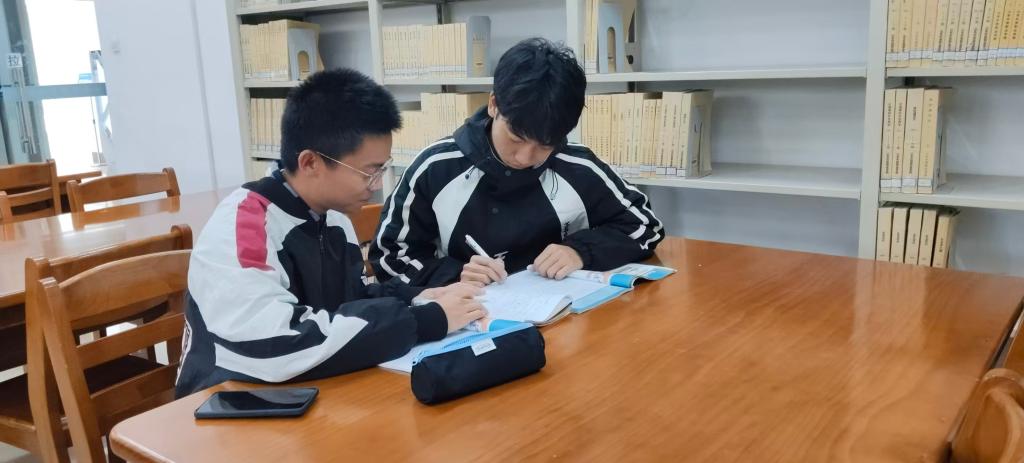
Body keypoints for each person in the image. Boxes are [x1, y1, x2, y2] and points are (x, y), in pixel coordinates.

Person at [176, 69, 486, 396]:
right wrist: (423, 321)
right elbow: (275, 343)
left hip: (309, 389)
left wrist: (419, 298)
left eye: (382, 169)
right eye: (369, 172)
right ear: (311, 163)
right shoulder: (245, 225)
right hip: (227, 402)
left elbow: (349, 300)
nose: (377, 185)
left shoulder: (333, 217)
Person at [370, 38, 663, 288]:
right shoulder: (436, 167)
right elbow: (389, 259)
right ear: (494, 104)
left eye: (545, 146)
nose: (525, 158)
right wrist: (456, 275)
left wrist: (580, 251)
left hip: (563, 315)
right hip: (471, 318)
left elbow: (645, 226)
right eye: (516, 138)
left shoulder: (577, 165)